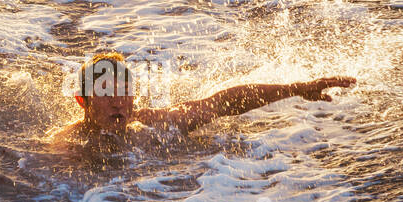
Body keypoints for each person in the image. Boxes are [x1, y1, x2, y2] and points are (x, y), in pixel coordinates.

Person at [46, 52, 356, 146]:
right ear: (82, 101)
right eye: (105, 92)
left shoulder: (150, 124)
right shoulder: (66, 145)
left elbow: (222, 103)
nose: (118, 102)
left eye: (124, 91)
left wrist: (298, 88)